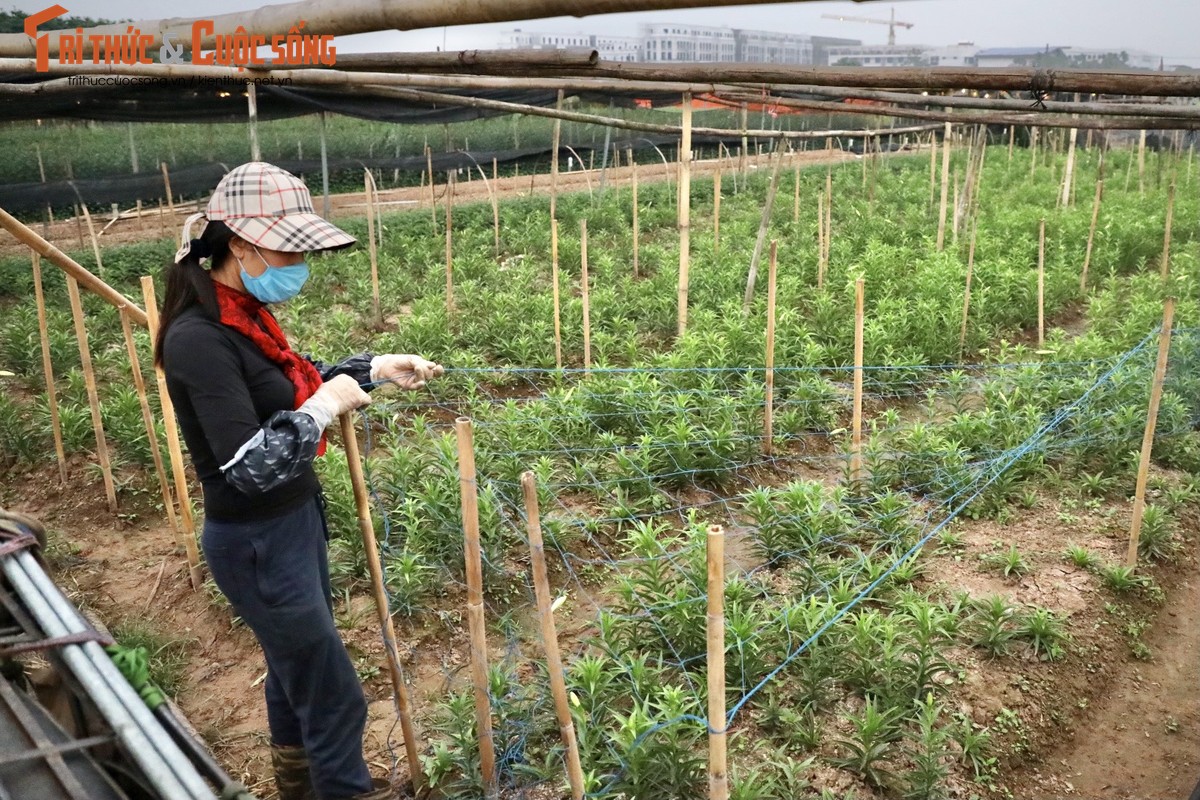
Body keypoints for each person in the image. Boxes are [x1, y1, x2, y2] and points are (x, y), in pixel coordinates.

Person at [155, 162, 441, 800]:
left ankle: (297, 782)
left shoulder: (242, 314)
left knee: (296, 669)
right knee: (334, 693)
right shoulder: (197, 339)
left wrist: (372, 368)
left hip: (292, 525)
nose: (299, 261)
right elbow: (250, 467)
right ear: (242, 245)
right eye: (289, 246)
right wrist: (325, 405)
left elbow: (292, 383)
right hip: (255, 542)